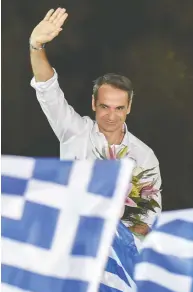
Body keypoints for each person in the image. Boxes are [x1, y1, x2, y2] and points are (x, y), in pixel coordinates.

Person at [30, 8, 162, 232]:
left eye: (119, 108)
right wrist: (36, 46)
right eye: (104, 107)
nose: (111, 116)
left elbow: (149, 220)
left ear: (129, 107)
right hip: (66, 240)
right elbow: (48, 91)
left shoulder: (144, 155)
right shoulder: (74, 130)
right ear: (93, 104)